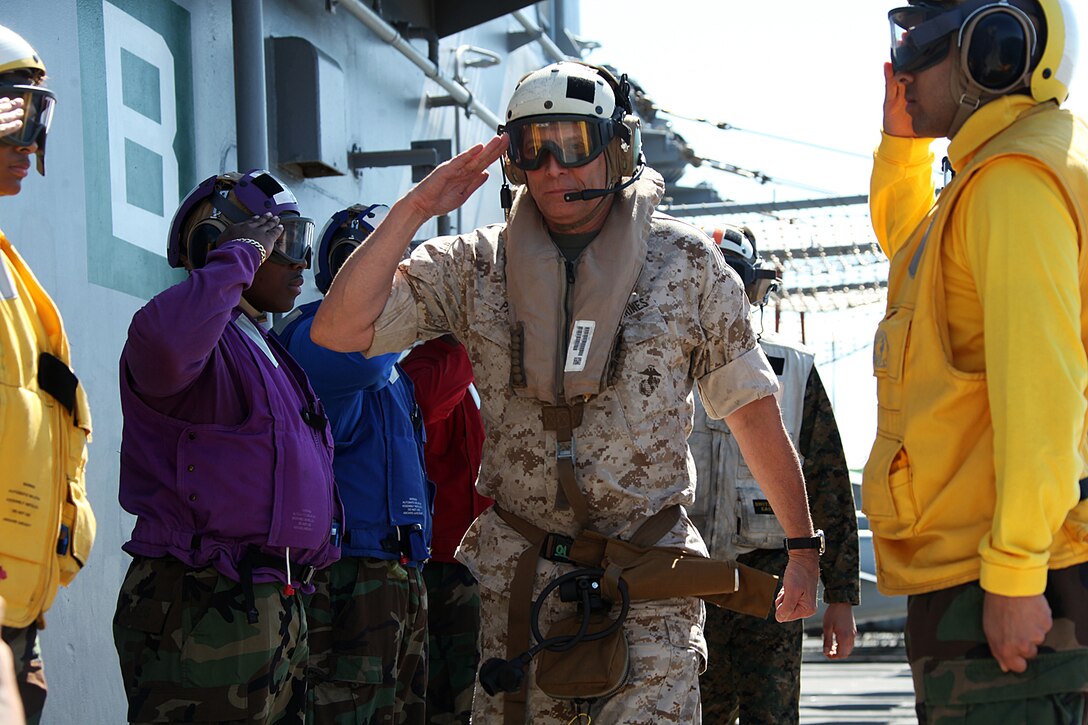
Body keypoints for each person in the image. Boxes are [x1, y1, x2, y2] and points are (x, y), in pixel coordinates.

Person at [310, 60, 822, 724]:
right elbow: (339, 329)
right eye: (533, 147)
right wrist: (417, 208)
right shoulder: (474, 267)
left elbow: (754, 413)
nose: (554, 167)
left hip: (649, 582)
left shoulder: (689, 267)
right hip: (519, 594)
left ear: (619, 149)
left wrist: (803, 547)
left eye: (574, 143)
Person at [870, 0, 1088, 720]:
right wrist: (900, 148)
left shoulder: (1012, 184)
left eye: (918, 46)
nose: (902, 67)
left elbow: (1043, 393)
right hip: (986, 571)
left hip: (1017, 584)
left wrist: (1018, 573)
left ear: (991, 50)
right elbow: (918, 258)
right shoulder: (993, 178)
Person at [112, 170, 341, 724]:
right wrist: (238, 259)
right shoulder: (179, 332)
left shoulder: (260, 342)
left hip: (276, 603)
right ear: (217, 244)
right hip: (205, 599)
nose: (298, 263)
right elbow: (167, 348)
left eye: (301, 240)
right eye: (279, 241)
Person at [690, 225, 859, 725]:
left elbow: (827, 480)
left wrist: (841, 595)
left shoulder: (792, 369)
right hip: (683, 581)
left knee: (773, 716)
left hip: (771, 585)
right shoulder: (659, 367)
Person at [275, 203, 432, 724]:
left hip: (396, 569)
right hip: (347, 573)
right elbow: (361, 361)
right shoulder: (316, 339)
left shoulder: (394, 366)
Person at [0, 25, 95, 725]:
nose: (30, 144)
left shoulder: (12, 274)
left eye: (39, 117)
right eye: (13, 113)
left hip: (19, 623)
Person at [401, 334, 491, 725]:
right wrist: (467, 338)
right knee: (441, 695)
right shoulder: (423, 362)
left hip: (479, 560)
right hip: (437, 561)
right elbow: (427, 404)